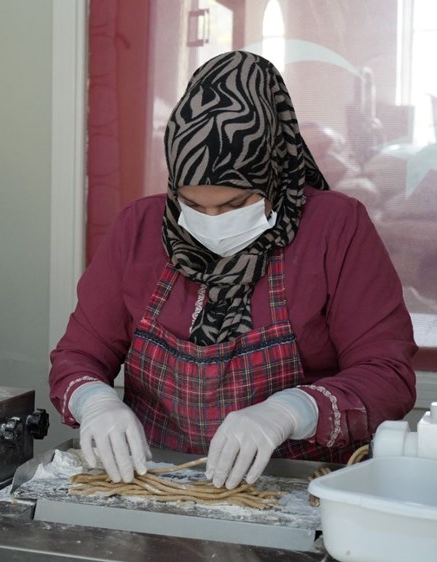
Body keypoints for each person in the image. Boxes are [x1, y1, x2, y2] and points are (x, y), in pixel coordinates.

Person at [48, 51, 417, 489]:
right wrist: (94, 401)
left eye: (234, 204)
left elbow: (387, 374)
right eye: (193, 203)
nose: (212, 219)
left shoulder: (335, 229)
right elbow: (78, 355)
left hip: (297, 486)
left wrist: (291, 411)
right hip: (155, 482)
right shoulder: (139, 229)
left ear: (274, 176)